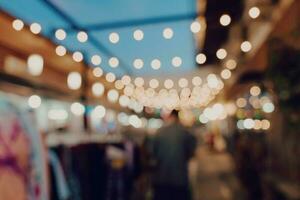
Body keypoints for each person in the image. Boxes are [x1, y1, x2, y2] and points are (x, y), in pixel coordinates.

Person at [148, 110, 197, 200]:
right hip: (180, 178)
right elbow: (191, 153)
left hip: (161, 178)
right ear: (178, 118)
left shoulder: (159, 132)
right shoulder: (185, 132)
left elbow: (152, 154)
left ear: (169, 117)